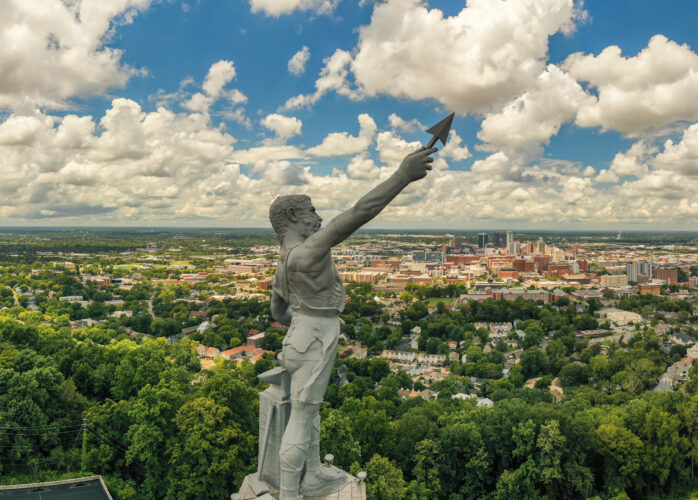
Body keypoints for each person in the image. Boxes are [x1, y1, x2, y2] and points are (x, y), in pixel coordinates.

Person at [269, 146, 437, 500]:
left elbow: (277, 313)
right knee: (300, 417)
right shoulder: (308, 251)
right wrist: (403, 175)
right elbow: (360, 212)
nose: (317, 215)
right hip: (316, 337)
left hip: (299, 337)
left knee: (308, 411)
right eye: (311, 209)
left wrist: (300, 325)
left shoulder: (283, 261)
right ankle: (287, 493)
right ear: (293, 216)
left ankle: (312, 474)